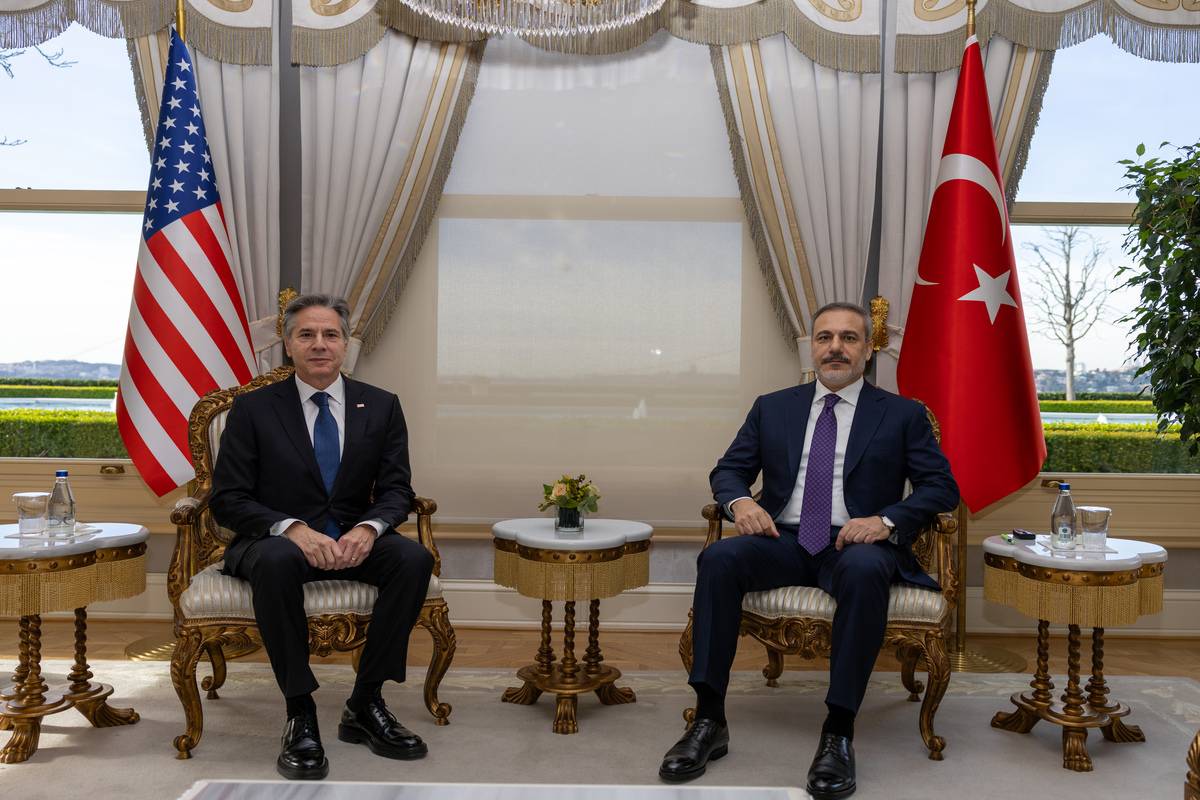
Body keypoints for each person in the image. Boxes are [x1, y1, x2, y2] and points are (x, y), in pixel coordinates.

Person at [658, 302, 959, 799]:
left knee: (864, 572)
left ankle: (838, 732)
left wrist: (885, 521)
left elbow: (940, 487)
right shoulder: (773, 406)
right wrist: (738, 503)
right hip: (786, 539)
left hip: (855, 543)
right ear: (812, 348)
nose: (835, 347)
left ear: (867, 349)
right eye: (824, 338)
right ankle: (708, 722)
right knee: (719, 559)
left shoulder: (901, 414)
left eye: (848, 338)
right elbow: (728, 470)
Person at [212, 293, 434, 781]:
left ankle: (365, 702)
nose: (319, 344)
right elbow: (227, 499)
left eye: (330, 334)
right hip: (275, 543)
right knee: (276, 561)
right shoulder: (252, 410)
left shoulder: (381, 405)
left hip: (351, 539)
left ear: (346, 344)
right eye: (305, 334)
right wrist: (291, 528)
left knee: (413, 559)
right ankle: (300, 712)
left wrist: (369, 528)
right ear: (287, 345)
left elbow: (398, 489)